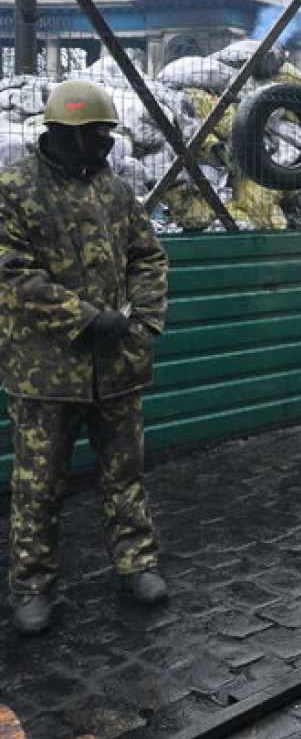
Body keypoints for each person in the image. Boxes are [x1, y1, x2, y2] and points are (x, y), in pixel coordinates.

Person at [1, 80, 170, 636]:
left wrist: (141, 325)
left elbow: (149, 257)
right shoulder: (13, 189)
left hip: (116, 368)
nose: (108, 145)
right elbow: (12, 274)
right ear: (67, 135)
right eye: (99, 135)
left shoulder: (116, 191)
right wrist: (85, 318)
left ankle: (136, 564)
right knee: (38, 483)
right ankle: (31, 584)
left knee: (125, 474)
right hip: (45, 372)